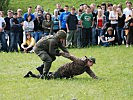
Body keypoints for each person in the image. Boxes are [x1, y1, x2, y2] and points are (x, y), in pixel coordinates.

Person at [24, 52, 98, 80]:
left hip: (68, 74)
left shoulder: (86, 67)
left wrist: (96, 78)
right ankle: (32, 75)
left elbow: (91, 73)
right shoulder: (80, 61)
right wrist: (61, 53)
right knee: (49, 78)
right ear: (89, 61)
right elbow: (70, 56)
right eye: (92, 63)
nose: (92, 65)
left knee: (52, 75)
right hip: (63, 70)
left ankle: (42, 71)